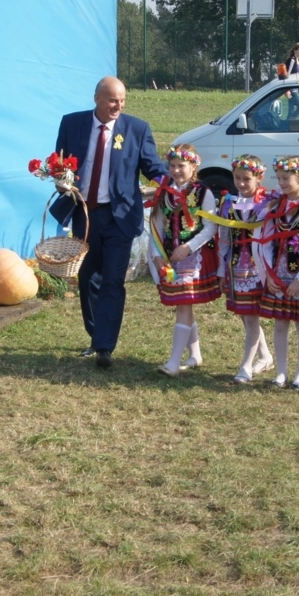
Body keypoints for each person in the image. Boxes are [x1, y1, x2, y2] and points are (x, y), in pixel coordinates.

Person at [49, 76, 166, 368]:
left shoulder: (137, 129)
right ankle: (95, 336)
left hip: (120, 217)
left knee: (113, 280)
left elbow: (152, 165)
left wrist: (173, 182)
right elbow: (60, 165)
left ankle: (104, 347)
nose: (119, 106)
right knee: (89, 277)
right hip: (86, 215)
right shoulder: (72, 124)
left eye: (123, 100)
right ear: (97, 99)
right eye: (113, 100)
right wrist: (60, 180)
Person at [147, 144, 220, 377]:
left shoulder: (202, 192)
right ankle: (195, 355)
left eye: (181, 166)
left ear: (194, 166)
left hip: (195, 255)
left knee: (184, 303)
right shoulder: (165, 192)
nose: (176, 170)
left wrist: (188, 247)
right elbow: (157, 226)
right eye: (172, 166)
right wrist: (157, 255)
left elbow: (211, 227)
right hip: (171, 255)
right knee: (183, 303)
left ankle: (174, 361)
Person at [257, 155, 299, 390]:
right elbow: (264, 243)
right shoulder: (274, 208)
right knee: (280, 324)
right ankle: (281, 373)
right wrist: (269, 275)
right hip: (279, 276)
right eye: (279, 178)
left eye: (286, 178)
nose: (281, 183)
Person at [217, 154, 274, 384]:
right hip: (234, 266)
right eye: (237, 178)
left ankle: (246, 366)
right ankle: (265, 356)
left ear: (259, 178)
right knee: (245, 314)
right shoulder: (229, 203)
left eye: (246, 179)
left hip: (256, 267)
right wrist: (221, 270)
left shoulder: (267, 203)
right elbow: (224, 238)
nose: (241, 183)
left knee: (251, 317)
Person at [282, 42, 299, 119]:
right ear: (295, 50)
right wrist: (287, 89)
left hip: (296, 88)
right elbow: (287, 74)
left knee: (291, 110)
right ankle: (289, 122)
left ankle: (287, 124)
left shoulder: (298, 61)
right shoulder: (291, 60)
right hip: (292, 89)